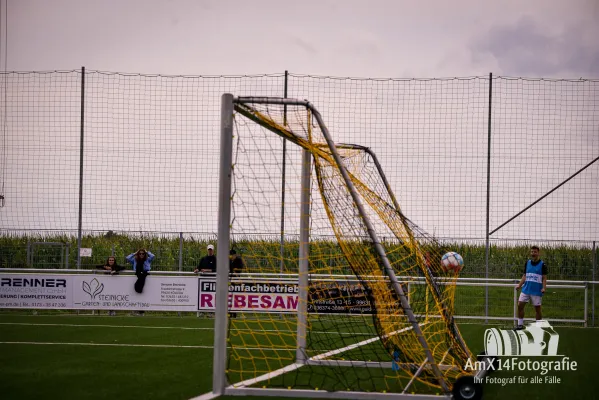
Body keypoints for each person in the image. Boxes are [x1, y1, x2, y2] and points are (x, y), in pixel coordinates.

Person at [515, 245, 548, 330]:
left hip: (536, 291)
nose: (533, 253)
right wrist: (519, 285)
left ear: (538, 253)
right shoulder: (527, 263)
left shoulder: (542, 265)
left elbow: (544, 278)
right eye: (532, 252)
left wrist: (544, 288)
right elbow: (525, 276)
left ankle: (538, 327)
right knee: (520, 305)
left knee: (537, 310)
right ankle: (520, 324)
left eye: (535, 252)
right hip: (526, 289)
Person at [126, 248, 155, 315]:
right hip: (137, 276)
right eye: (140, 253)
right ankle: (135, 310)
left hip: (145, 276)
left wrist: (147, 252)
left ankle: (142, 311)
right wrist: (135, 253)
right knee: (136, 292)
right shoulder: (135, 260)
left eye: (143, 253)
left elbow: (153, 256)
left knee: (144, 293)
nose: (141, 255)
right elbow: (127, 258)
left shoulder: (147, 260)